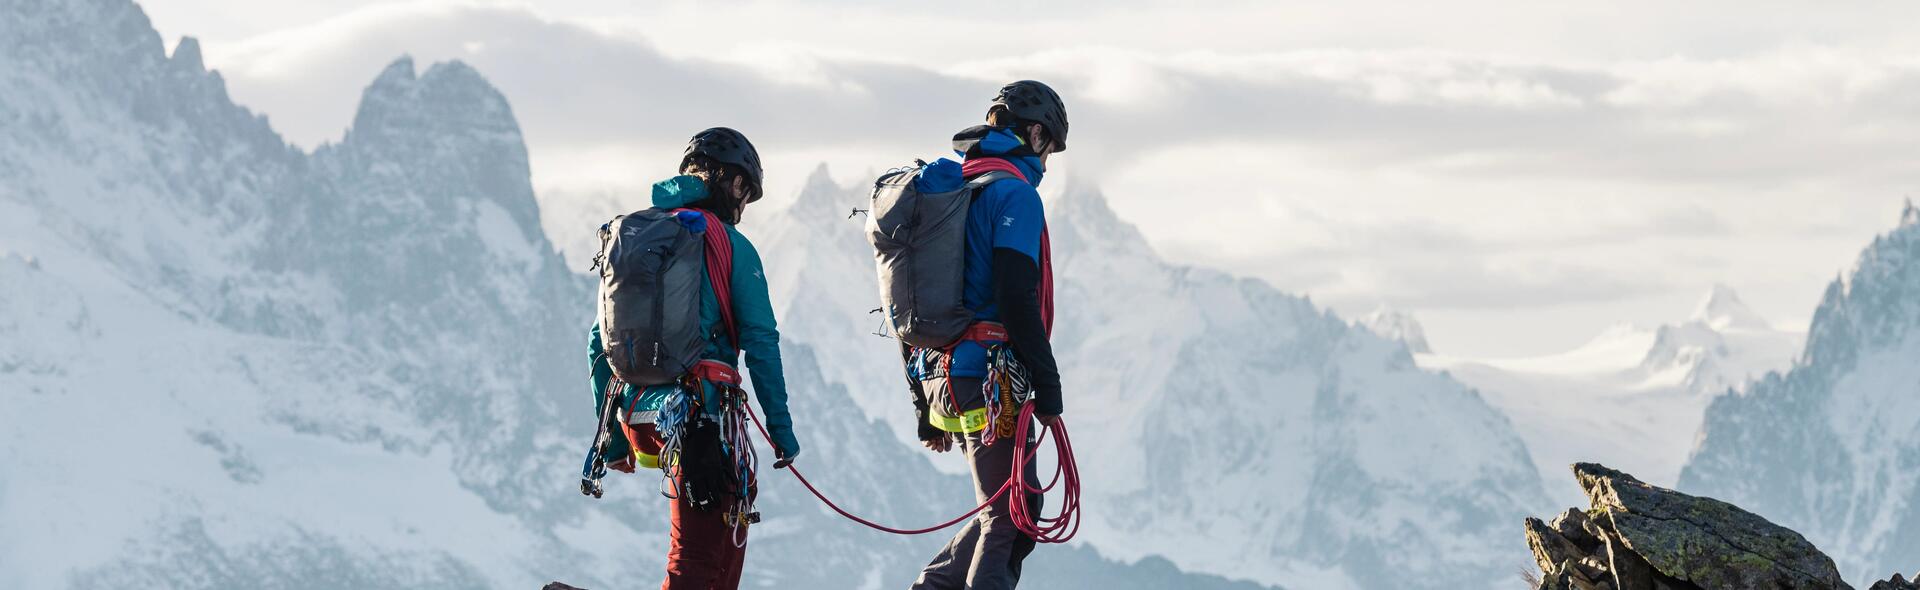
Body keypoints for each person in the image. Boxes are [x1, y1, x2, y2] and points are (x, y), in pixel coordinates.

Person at [587, 127, 800, 590]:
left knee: (705, 555)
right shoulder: (729, 245)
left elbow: (598, 341)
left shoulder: (638, 238)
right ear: (733, 182)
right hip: (700, 417)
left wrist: (616, 442)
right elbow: (761, 342)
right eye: (746, 190)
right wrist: (781, 432)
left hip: (639, 415)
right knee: (703, 563)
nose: (744, 206)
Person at [910, 80, 1068, 590]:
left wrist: (922, 405)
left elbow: (907, 304)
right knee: (1011, 516)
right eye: (1051, 149)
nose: (1048, 162)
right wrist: (1048, 384)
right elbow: (1017, 294)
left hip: (945, 374)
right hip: (991, 378)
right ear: (1037, 134)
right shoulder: (1013, 194)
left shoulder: (957, 189)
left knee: (1012, 504)